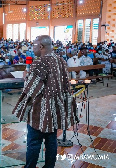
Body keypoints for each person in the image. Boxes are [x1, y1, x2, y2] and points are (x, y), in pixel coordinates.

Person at [12, 35, 78, 168]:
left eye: (34, 46)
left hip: (40, 111)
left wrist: (26, 77)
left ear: (41, 46)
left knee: (34, 143)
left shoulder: (40, 62)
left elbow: (31, 89)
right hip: (55, 110)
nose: (33, 48)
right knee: (51, 141)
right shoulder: (61, 61)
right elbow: (66, 85)